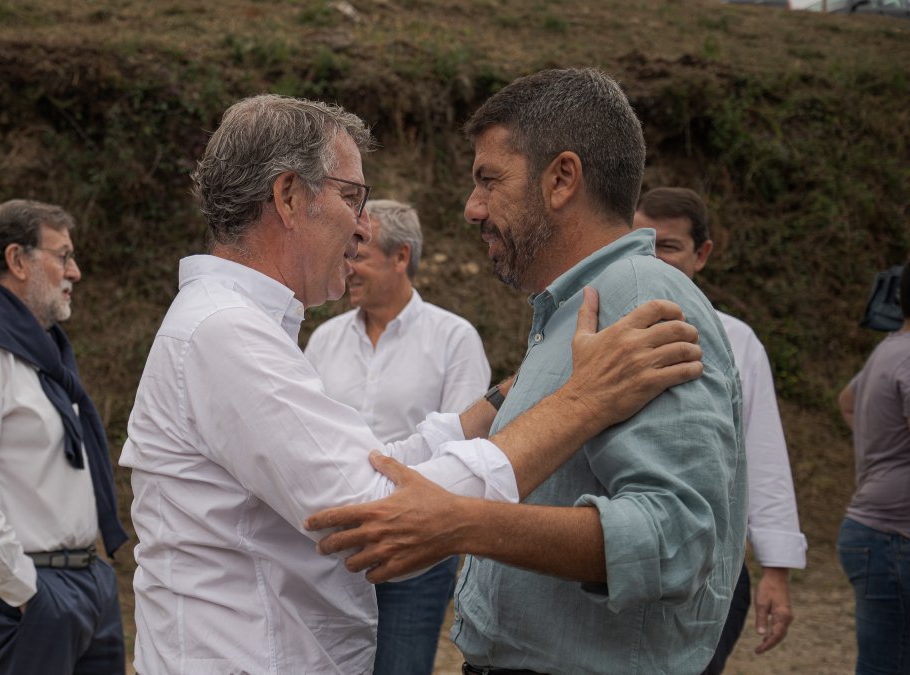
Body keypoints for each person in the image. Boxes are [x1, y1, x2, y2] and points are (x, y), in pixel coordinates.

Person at [120, 93, 706, 674]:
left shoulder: (229, 326)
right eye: (352, 197)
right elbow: (375, 517)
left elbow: (371, 467)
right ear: (290, 196)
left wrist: (511, 395)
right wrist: (584, 401)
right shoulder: (226, 334)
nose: (363, 226)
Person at [307, 68, 747, 674]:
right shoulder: (574, 307)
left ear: (562, 178)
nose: (472, 208)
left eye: (489, 180)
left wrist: (464, 523)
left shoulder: (638, 299)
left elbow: (675, 538)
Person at [0, 200, 129, 675]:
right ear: (17, 261)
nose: (74, 272)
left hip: (86, 582)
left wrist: (92, 574)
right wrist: (26, 591)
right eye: (62, 255)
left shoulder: (42, 352)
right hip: (34, 593)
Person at [305, 199, 491, 675]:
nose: (347, 267)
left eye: (359, 254)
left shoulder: (455, 339)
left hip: (415, 556)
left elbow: (465, 451)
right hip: (331, 557)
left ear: (401, 257)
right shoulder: (323, 340)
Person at [633, 187, 808, 673]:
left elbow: (763, 455)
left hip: (712, 571)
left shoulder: (735, 341)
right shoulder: (592, 325)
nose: (651, 259)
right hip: (613, 562)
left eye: (667, 246)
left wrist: (776, 569)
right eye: (639, 243)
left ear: (702, 254)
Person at [836, 258, 910, 675]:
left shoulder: (891, 348)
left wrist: (883, 450)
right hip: (895, 540)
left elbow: (848, 402)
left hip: (876, 534)